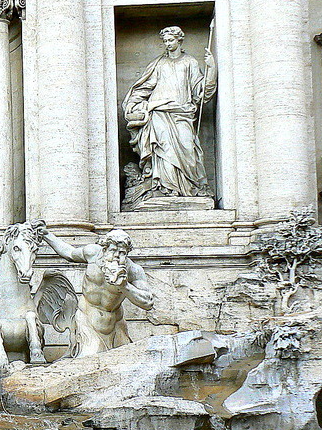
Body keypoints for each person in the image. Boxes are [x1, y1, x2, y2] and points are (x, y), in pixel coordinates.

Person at [122, 26, 217, 206]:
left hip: (182, 113)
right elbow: (144, 87)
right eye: (165, 41)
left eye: (171, 40)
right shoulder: (159, 63)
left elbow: (201, 92)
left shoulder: (190, 62)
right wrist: (134, 104)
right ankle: (165, 189)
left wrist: (211, 69)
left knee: (187, 147)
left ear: (179, 40)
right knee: (163, 148)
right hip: (158, 112)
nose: (168, 44)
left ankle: (187, 189)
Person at [35, 223, 154, 357]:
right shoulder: (92, 253)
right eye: (113, 250)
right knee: (89, 360)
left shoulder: (133, 270)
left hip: (115, 326)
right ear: (104, 248)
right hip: (87, 321)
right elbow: (69, 253)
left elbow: (148, 302)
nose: (116, 256)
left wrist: (125, 286)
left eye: (122, 253)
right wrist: (47, 235)